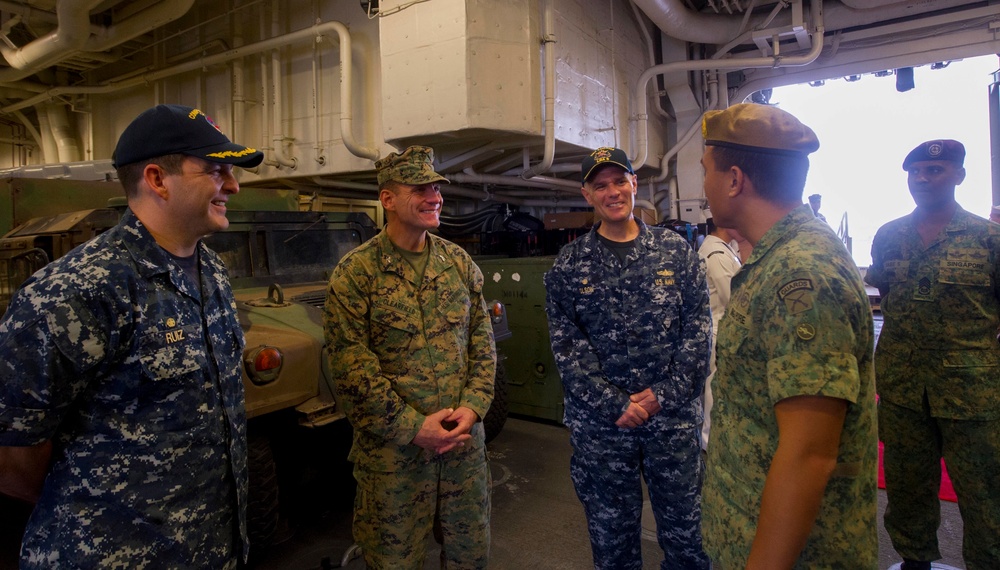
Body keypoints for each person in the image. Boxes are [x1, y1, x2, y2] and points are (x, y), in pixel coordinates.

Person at [0, 104, 262, 568]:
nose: (233, 185)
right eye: (216, 170)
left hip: (212, 547)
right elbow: (15, 457)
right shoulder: (76, 290)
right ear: (158, 179)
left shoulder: (213, 272)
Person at [699, 103, 878, 569]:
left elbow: (809, 455)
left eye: (706, 171)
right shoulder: (776, 259)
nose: (704, 186)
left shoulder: (800, 272)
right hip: (748, 528)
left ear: (734, 179)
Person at [324, 146, 495, 569]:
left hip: (462, 449)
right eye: (420, 188)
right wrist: (414, 428)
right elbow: (352, 373)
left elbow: (483, 346)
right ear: (387, 199)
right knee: (395, 562)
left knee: (470, 557)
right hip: (395, 463)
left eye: (436, 186)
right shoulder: (355, 274)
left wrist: (474, 407)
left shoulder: (457, 263)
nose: (434, 196)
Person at [544, 146, 712, 569]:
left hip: (670, 421)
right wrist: (617, 405)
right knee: (613, 543)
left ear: (635, 184)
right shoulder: (569, 264)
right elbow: (567, 348)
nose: (613, 192)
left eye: (620, 181)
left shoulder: (675, 252)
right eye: (601, 185)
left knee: (688, 538)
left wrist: (662, 395)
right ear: (587, 195)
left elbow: (698, 332)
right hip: (603, 429)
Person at [866, 139, 1000, 570]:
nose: (923, 179)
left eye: (934, 171)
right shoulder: (889, 236)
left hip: (973, 392)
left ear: (959, 175)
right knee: (907, 488)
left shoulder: (988, 238)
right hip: (904, 391)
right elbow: (886, 294)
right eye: (916, 171)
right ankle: (914, 560)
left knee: (985, 494)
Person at [697, 217, 742, 451]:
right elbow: (733, 298)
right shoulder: (716, 254)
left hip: (720, 326)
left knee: (715, 388)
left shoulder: (722, 250)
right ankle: (710, 441)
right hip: (719, 328)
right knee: (714, 389)